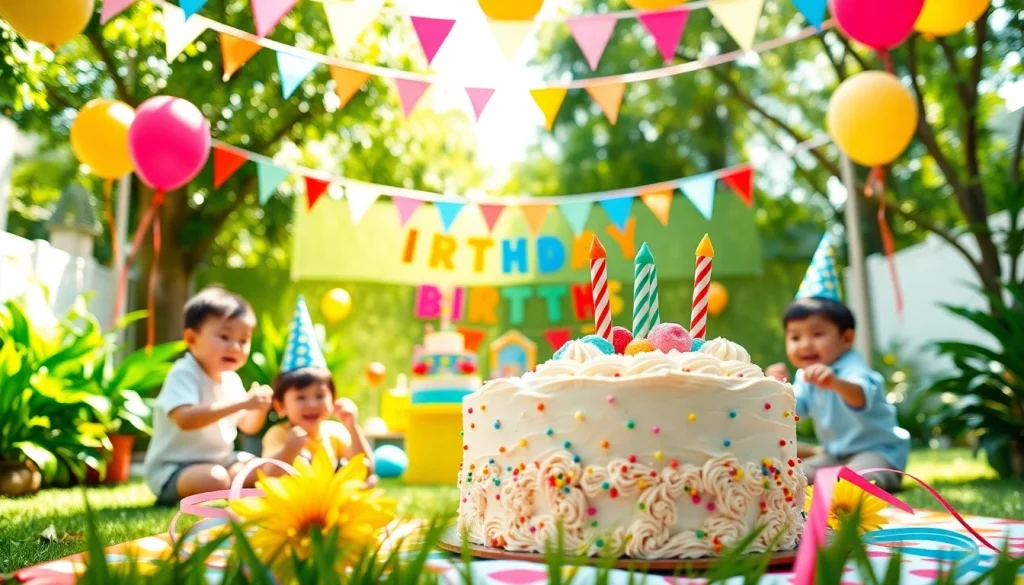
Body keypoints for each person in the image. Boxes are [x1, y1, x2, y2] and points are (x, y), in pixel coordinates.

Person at [143, 287, 273, 506]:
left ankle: (229, 486)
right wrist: (242, 403)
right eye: (224, 336)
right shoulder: (184, 372)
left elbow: (248, 426)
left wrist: (258, 408)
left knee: (260, 469)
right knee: (215, 479)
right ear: (191, 338)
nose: (235, 347)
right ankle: (222, 488)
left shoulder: (231, 379)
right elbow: (186, 419)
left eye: (243, 340)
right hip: (174, 469)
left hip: (222, 462)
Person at [766, 297, 910, 492]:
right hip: (834, 454)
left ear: (847, 339)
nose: (805, 345)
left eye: (817, 334)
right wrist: (778, 387)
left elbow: (860, 397)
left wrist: (835, 383)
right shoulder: (805, 375)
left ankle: (844, 484)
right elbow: (792, 410)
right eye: (795, 337)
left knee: (853, 481)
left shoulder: (854, 367)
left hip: (879, 452)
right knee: (792, 475)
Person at [259, 295, 376, 483]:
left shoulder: (334, 432)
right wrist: (289, 450)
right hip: (296, 499)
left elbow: (366, 469)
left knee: (369, 482)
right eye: (301, 397)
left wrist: (352, 427)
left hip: (327, 498)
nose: (312, 404)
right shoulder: (278, 434)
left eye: (320, 395)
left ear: (333, 400)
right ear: (280, 406)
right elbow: (268, 476)